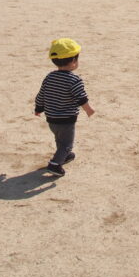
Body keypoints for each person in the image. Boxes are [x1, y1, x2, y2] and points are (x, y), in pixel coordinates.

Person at [34, 38, 95, 177]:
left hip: (51, 119)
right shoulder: (74, 80)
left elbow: (41, 94)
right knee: (67, 143)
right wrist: (89, 110)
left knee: (60, 140)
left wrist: (38, 108)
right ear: (74, 61)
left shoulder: (49, 77)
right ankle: (55, 164)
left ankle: (64, 156)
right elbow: (81, 98)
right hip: (66, 119)